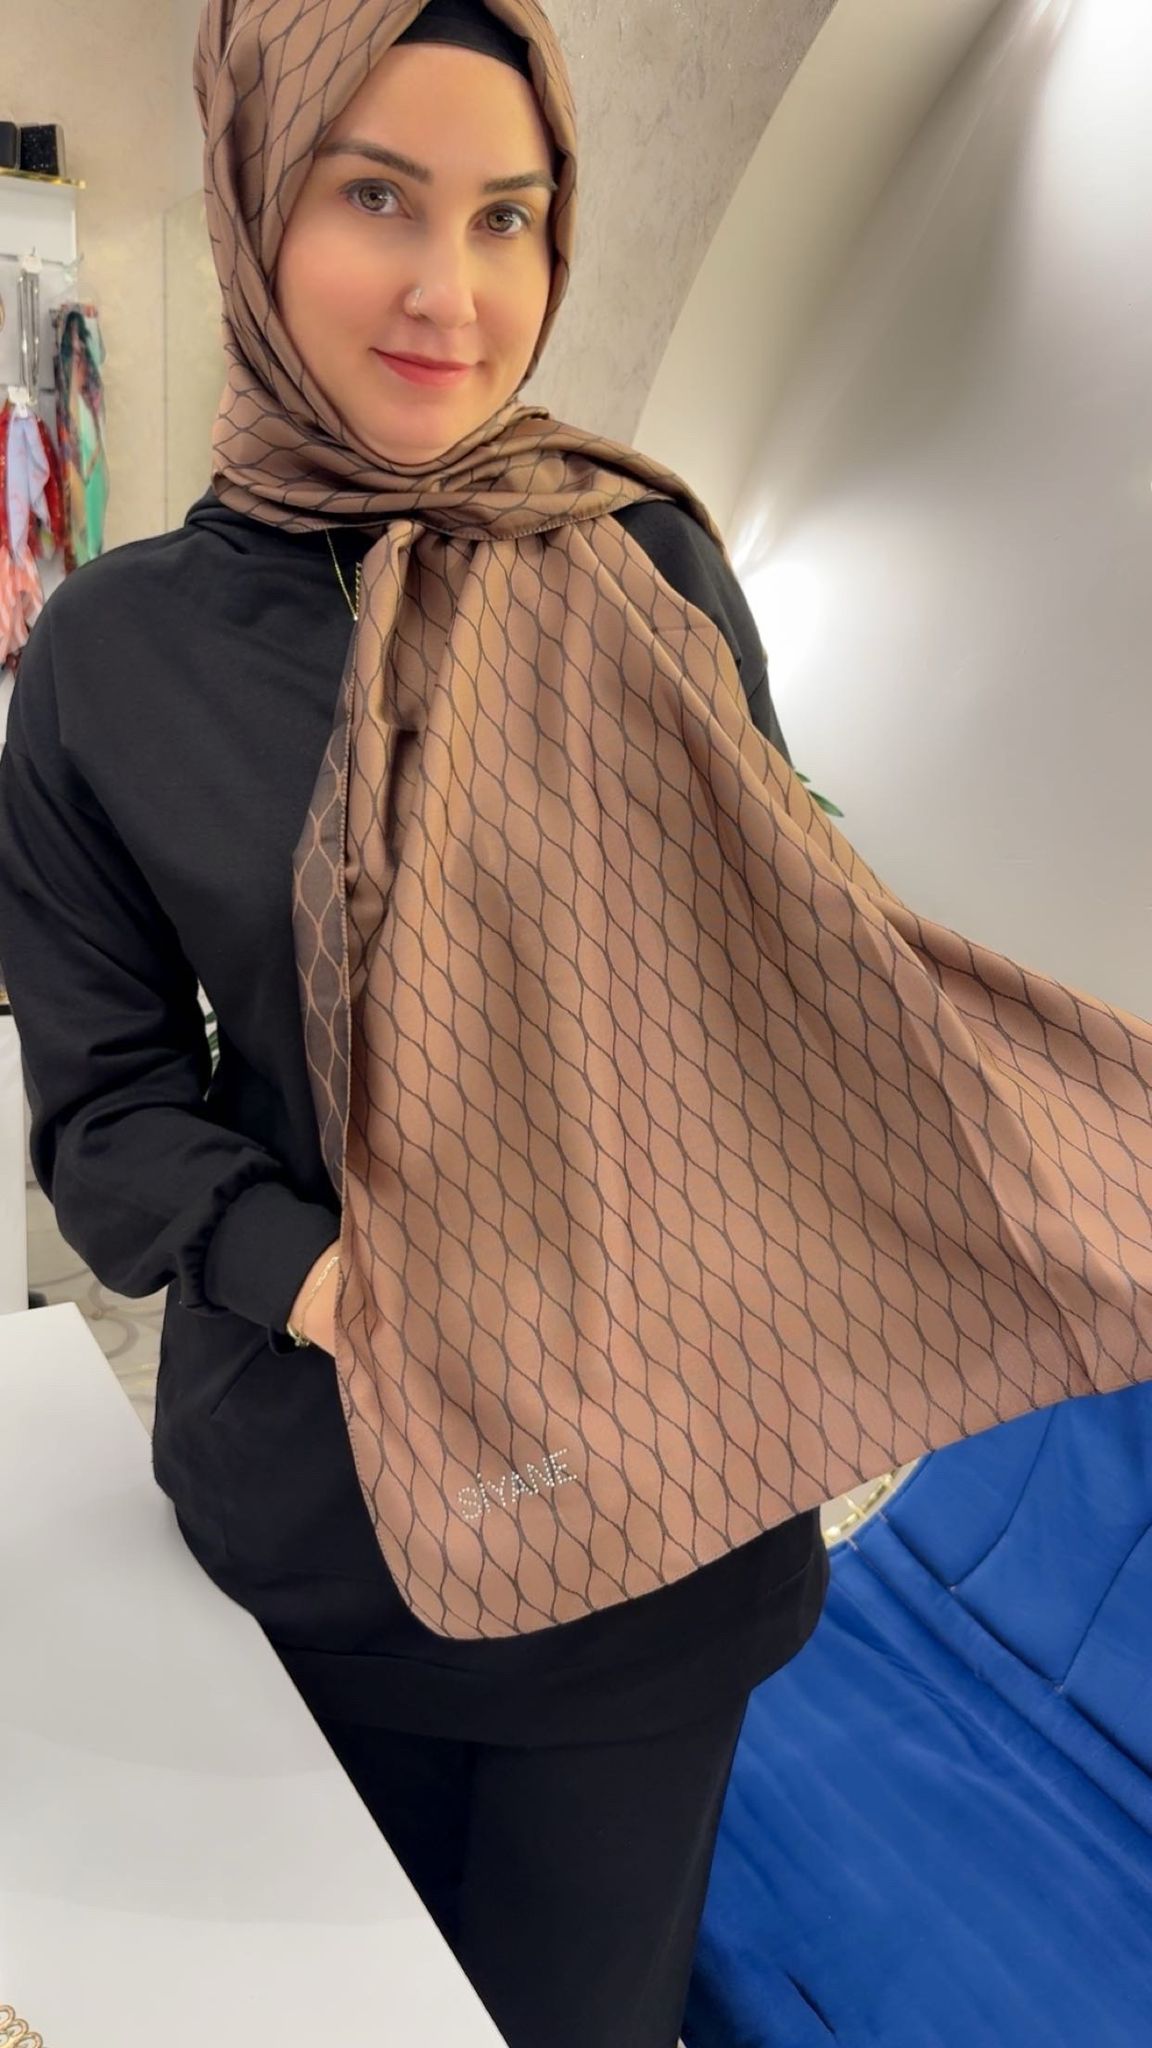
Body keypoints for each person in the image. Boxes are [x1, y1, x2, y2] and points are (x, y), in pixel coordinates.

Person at [0, 3, 829, 2041]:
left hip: (658, 1530)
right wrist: (344, 1287)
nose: (453, 292)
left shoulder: (645, 564)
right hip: (329, 1531)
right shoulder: (113, 658)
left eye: (507, 216)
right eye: (378, 196)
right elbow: (108, 1114)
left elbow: (788, 984)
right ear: (255, 201)